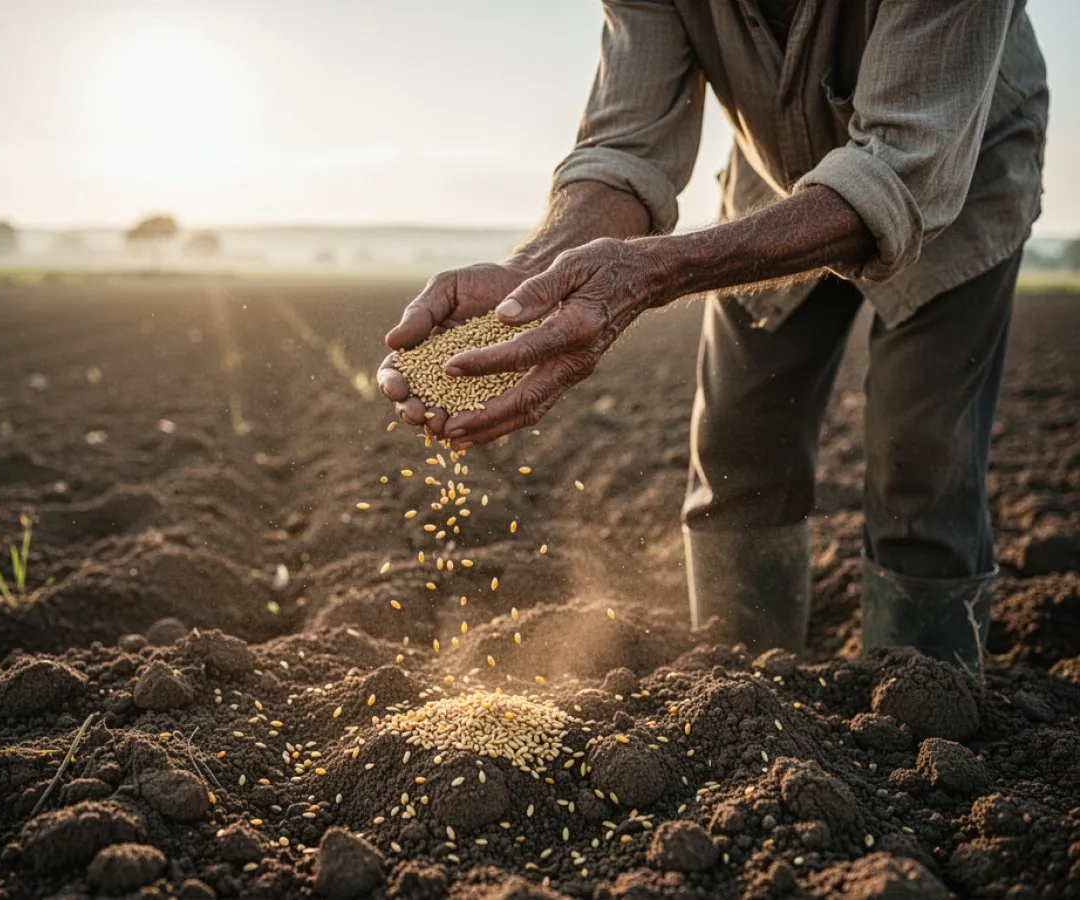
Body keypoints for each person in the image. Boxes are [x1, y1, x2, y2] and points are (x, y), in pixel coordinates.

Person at [377, 1, 1048, 665]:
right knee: (739, 441)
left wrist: (653, 273)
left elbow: (901, 163)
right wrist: (531, 272)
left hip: (959, 168)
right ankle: (740, 695)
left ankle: (923, 706)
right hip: (775, 180)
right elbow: (624, 147)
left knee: (922, 458)